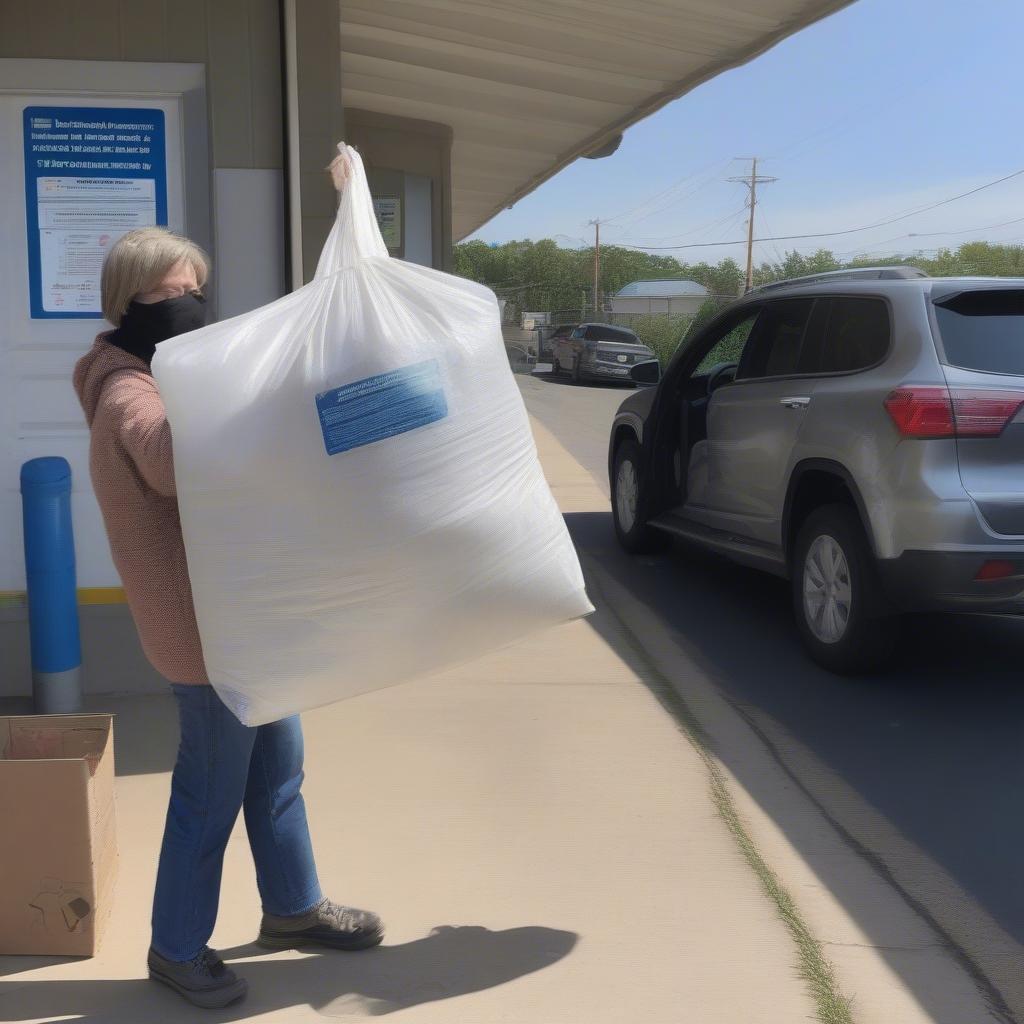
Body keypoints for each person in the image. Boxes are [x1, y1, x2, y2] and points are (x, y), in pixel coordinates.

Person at [72, 223, 383, 1010]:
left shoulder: (159, 370)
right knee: (208, 794)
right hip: (203, 635)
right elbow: (173, 461)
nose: (189, 305)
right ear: (127, 300)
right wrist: (272, 395)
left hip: (242, 618)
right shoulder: (125, 389)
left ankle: (292, 908)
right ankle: (175, 949)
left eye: (195, 290)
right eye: (169, 293)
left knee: (278, 773)